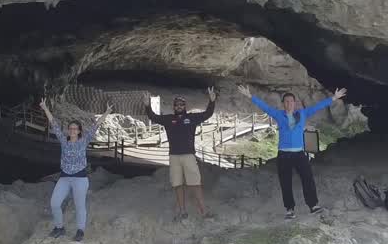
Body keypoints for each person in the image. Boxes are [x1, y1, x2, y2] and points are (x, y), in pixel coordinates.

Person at [238, 85, 347, 219]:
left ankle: (313, 205)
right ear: (283, 104)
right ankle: (289, 209)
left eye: (291, 102)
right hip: (284, 154)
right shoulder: (279, 114)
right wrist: (250, 96)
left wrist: (334, 98)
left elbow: (317, 107)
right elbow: (265, 107)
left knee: (308, 178)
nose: (289, 104)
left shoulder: (302, 114)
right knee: (285, 182)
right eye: (287, 102)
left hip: (299, 153)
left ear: (295, 104)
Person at [40, 98, 111, 242]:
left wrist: (107, 112)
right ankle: (59, 227)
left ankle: (80, 230)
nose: (72, 130)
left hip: (80, 178)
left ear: (79, 131)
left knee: (79, 205)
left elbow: (95, 125)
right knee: (54, 203)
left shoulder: (83, 141)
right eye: (70, 128)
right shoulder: (63, 140)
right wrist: (45, 107)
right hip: (64, 178)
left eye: (75, 129)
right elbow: (54, 124)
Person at [145, 87, 216, 220]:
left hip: (189, 155)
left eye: (181, 104)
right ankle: (183, 211)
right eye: (177, 104)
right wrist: (147, 105)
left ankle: (204, 211)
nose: (179, 106)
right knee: (177, 184)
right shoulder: (168, 119)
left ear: (185, 106)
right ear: (174, 107)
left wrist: (212, 101)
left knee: (195, 183)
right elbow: (153, 116)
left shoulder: (192, 118)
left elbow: (207, 114)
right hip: (174, 156)